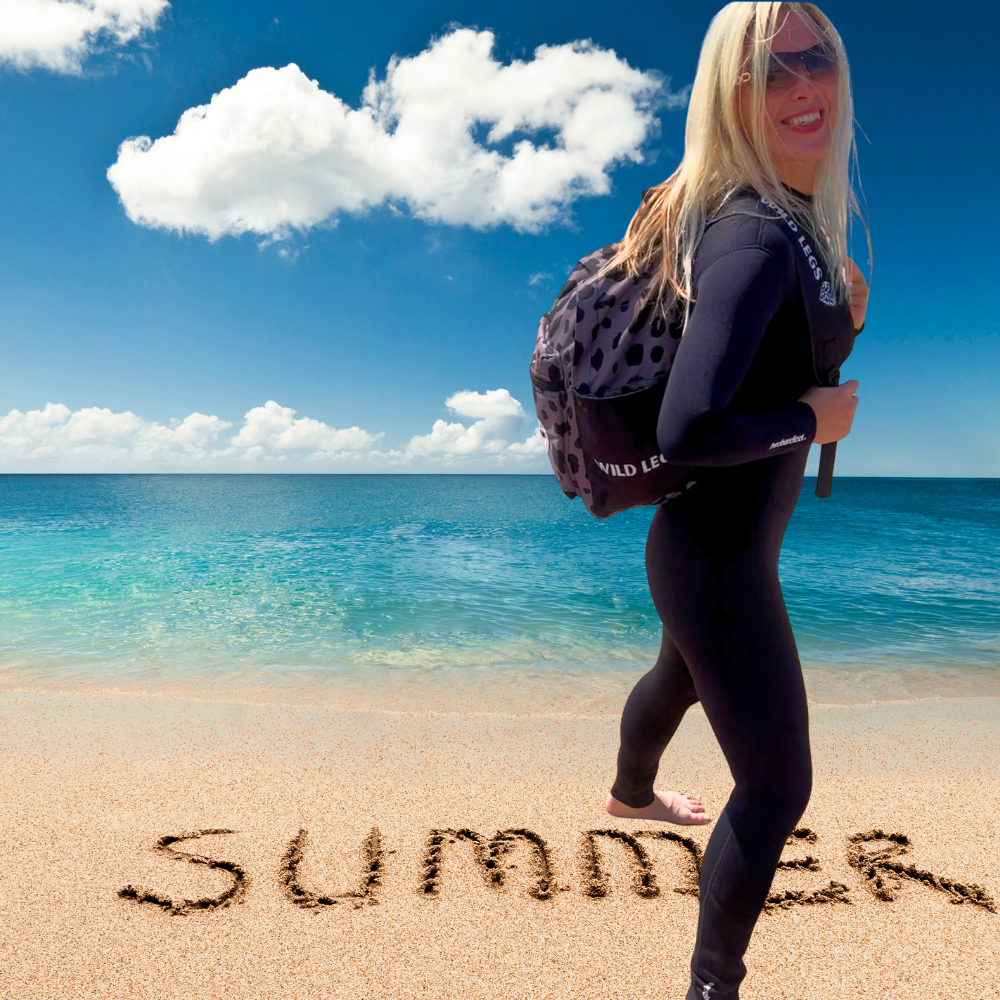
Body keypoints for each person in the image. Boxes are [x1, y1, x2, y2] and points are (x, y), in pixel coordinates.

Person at [599, 4, 870, 998]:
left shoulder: (779, 229)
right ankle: (713, 984)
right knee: (776, 783)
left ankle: (630, 792)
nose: (803, 87)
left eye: (817, 59)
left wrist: (833, 329)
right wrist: (812, 421)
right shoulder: (757, 236)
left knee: (678, 669)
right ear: (730, 94)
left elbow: (771, 370)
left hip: (700, 553)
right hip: (715, 558)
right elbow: (690, 431)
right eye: (769, 69)